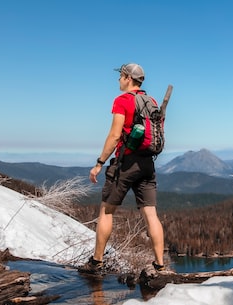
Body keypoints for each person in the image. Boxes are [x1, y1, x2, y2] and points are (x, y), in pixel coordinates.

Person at [80, 63, 165, 275]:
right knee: (151, 214)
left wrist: (99, 163)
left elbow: (115, 135)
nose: (118, 80)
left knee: (106, 211)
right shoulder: (152, 101)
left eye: (120, 76)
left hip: (125, 163)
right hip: (148, 163)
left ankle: (96, 262)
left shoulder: (123, 101)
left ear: (128, 78)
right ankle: (160, 265)